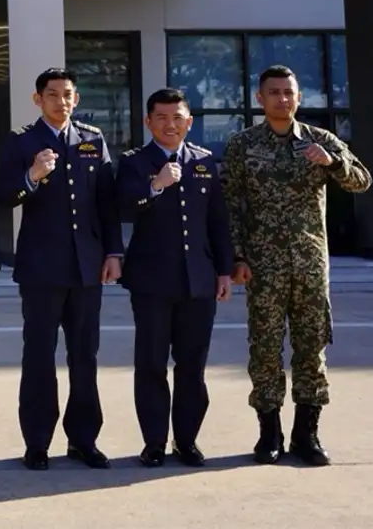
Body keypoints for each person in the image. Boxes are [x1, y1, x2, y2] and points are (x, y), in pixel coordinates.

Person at [223, 64, 371, 467]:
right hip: (263, 267)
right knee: (265, 349)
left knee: (311, 349)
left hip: (309, 264)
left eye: (288, 92)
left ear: (299, 97)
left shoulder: (320, 140)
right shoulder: (242, 145)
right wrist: (237, 256)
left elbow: (362, 181)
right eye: (274, 92)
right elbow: (229, 203)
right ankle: (268, 433)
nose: (282, 99)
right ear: (260, 99)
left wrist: (332, 163)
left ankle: (307, 433)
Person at [0, 67, 121, 471]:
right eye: (52, 94)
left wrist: (113, 252)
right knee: (39, 355)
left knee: (85, 355)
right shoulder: (22, 141)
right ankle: (37, 442)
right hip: (41, 268)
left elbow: (106, 201)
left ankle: (83, 439)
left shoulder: (92, 139)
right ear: (38, 100)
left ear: (76, 99)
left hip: (86, 267)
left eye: (67, 94)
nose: (61, 101)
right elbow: (4, 195)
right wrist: (32, 175)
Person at [115, 88, 234, 468]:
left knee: (192, 366)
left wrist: (224, 271)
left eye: (177, 117)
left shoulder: (204, 161)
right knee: (151, 364)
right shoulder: (134, 161)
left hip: (198, 280)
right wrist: (156, 185)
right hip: (151, 280)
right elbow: (123, 206)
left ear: (189, 122)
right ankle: (153, 443)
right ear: (148, 122)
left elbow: (218, 221)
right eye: (162, 118)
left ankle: (187, 440)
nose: (170, 125)